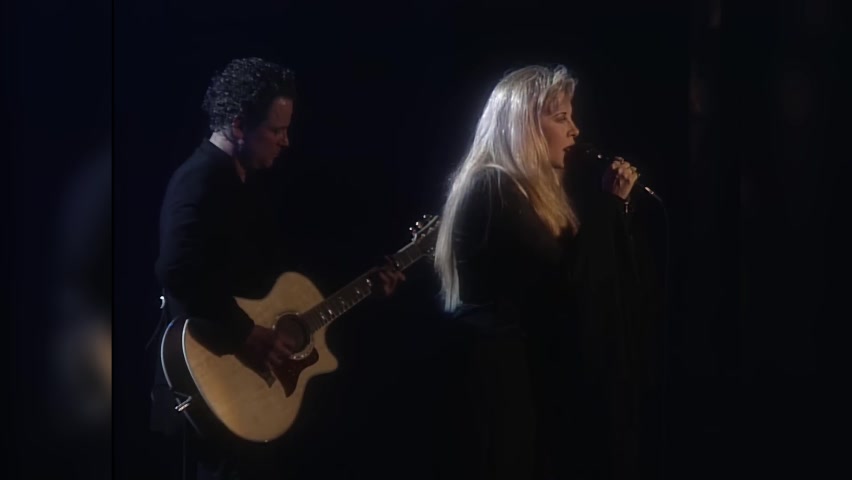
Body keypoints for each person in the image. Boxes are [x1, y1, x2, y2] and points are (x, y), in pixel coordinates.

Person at [149, 57, 405, 480]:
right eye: (276, 130)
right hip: (214, 384)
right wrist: (244, 332)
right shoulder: (199, 180)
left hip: (248, 391)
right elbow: (176, 270)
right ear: (238, 125)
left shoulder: (245, 182)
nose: (286, 141)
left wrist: (367, 286)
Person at [433, 65, 661, 479]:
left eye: (571, 117)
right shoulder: (493, 187)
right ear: (523, 125)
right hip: (496, 387)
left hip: (523, 380)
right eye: (560, 118)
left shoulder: (529, 191)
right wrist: (608, 207)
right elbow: (567, 280)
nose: (575, 130)